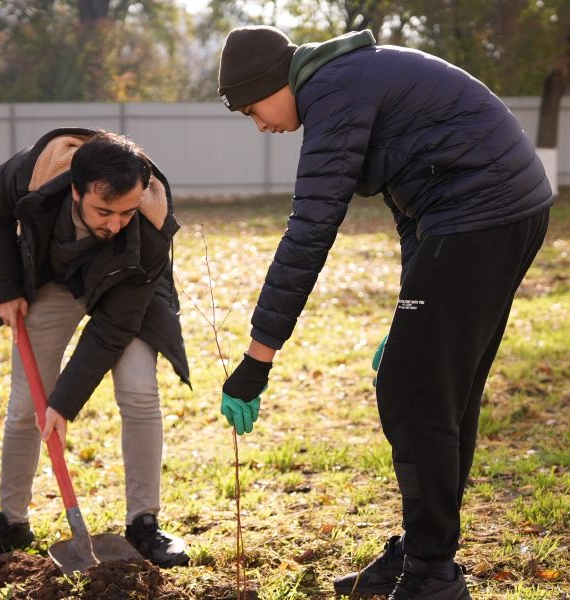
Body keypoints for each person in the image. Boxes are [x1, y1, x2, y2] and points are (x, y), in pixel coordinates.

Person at [216, 26, 552, 599]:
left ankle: (432, 573)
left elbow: (310, 232)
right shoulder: (349, 80)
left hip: (480, 215)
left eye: (255, 108)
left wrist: (258, 358)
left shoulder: (334, 95)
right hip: (501, 210)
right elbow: (412, 208)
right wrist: (410, 307)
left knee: (415, 394)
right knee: (442, 392)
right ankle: (424, 552)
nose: (262, 125)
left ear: (277, 82)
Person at [0, 128, 191, 568]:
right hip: (53, 279)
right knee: (25, 405)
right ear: (75, 188)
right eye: (104, 211)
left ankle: (143, 524)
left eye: (125, 212)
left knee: (140, 392)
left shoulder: (149, 225)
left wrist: (65, 404)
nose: (114, 224)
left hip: (125, 287)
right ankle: (11, 520)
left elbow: (113, 329)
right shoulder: (32, 174)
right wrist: (4, 286)